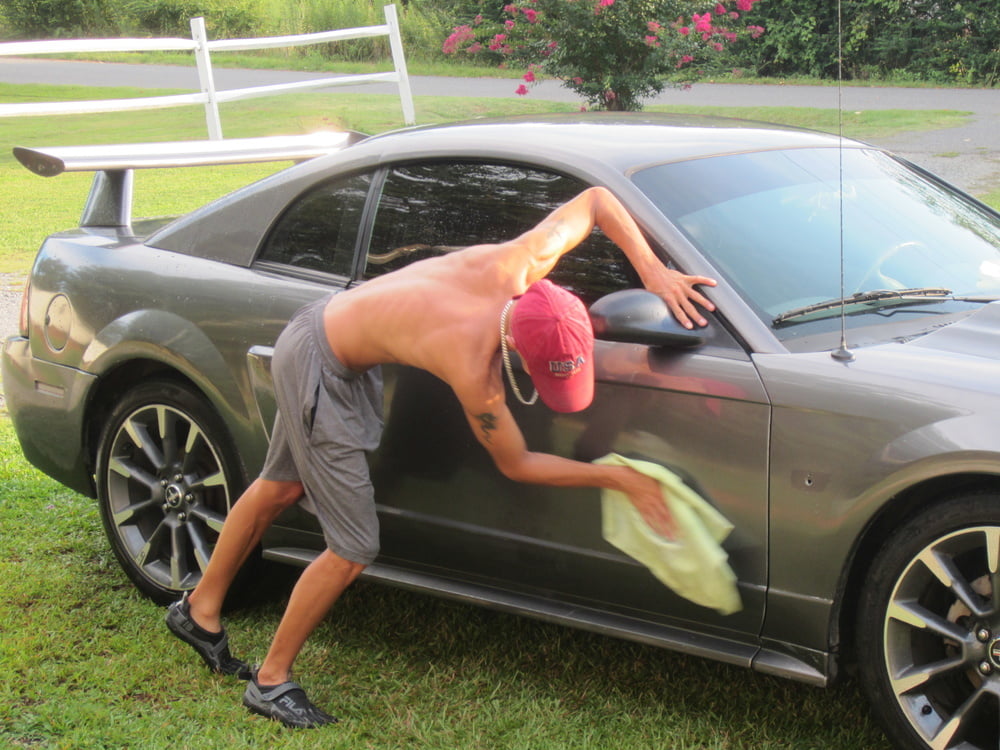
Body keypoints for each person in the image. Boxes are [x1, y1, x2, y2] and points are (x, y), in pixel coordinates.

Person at [165, 185, 717, 728]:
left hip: (327, 334)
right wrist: (621, 481)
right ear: (515, 348)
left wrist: (653, 272)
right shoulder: (471, 362)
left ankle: (200, 612)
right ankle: (270, 682)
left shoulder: (527, 256)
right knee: (354, 545)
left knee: (281, 485)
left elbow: (597, 200)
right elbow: (517, 464)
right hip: (321, 364)